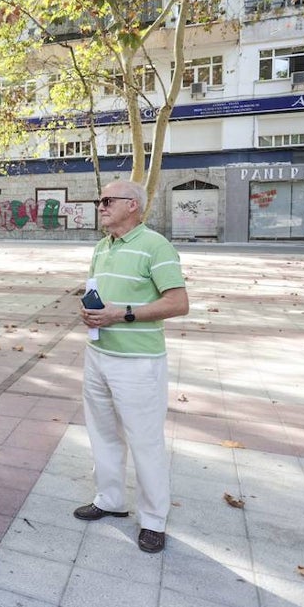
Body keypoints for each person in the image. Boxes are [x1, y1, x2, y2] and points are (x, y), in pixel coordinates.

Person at [76, 180, 189, 554]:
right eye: (99, 200)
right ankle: (109, 499)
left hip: (139, 363)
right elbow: (102, 299)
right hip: (99, 356)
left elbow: (178, 303)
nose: (101, 205)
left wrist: (121, 315)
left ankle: (154, 520)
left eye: (108, 200)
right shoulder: (100, 247)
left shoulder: (156, 246)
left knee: (145, 441)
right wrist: (92, 314)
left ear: (133, 206)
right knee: (102, 433)